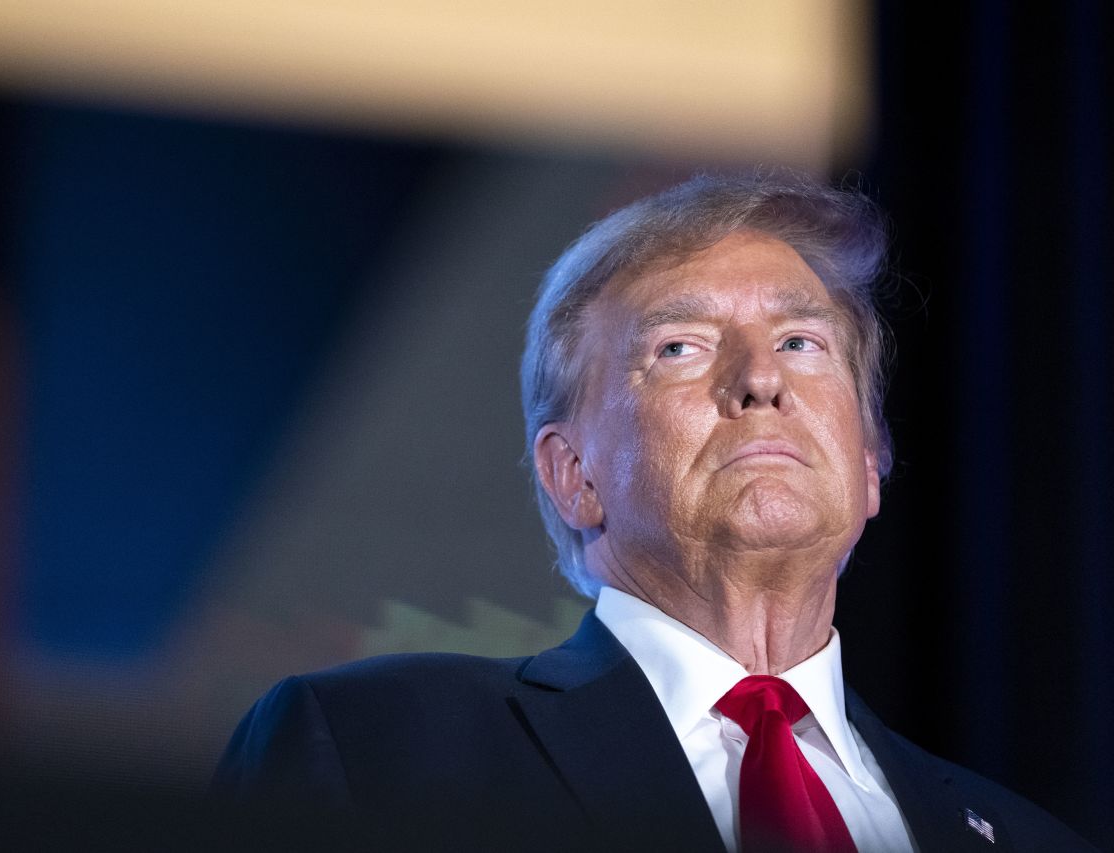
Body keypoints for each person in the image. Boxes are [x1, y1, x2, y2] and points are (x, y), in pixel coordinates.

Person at [215, 172, 1093, 852]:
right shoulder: (379, 752)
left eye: (802, 342)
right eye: (681, 347)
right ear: (573, 475)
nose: (761, 378)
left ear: (869, 466)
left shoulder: (1027, 841)